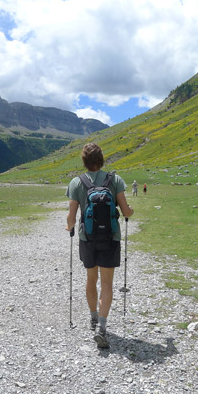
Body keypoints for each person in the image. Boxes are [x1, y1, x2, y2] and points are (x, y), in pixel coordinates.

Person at [66, 143, 134, 349]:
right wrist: (131, 210)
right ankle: (102, 327)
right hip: (110, 238)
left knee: (91, 278)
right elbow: (126, 211)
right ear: (102, 159)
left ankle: (93, 318)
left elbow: (71, 217)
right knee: (106, 283)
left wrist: (69, 227)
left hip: (87, 239)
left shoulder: (76, 183)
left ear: (84, 161)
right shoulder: (115, 180)